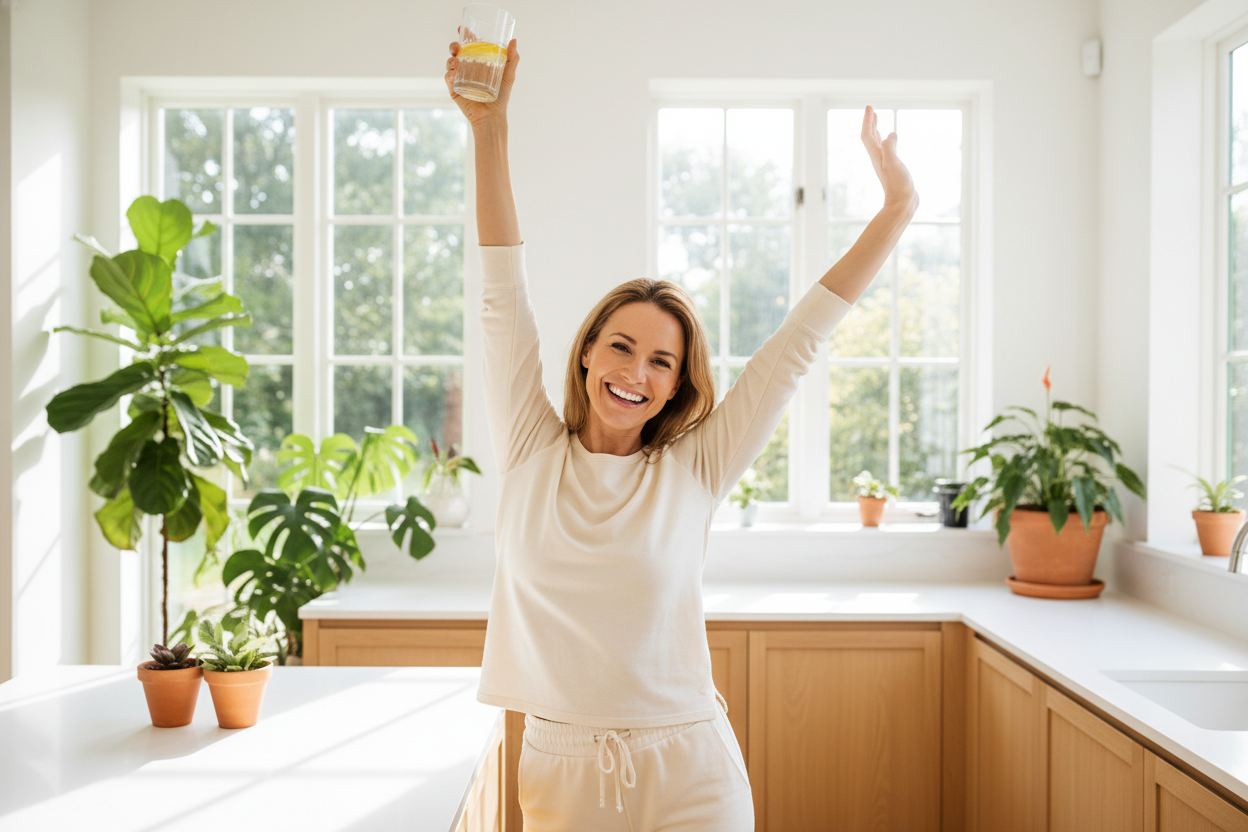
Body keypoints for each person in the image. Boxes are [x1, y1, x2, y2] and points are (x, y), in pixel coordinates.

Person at [445, 36, 918, 831]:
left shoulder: (693, 468)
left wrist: (897, 209)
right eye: (621, 346)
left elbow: (797, 342)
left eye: (661, 362)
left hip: (692, 768)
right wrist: (488, 128)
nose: (635, 372)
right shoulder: (531, 449)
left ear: (675, 385)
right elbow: (502, 292)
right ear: (588, 352)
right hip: (563, 774)